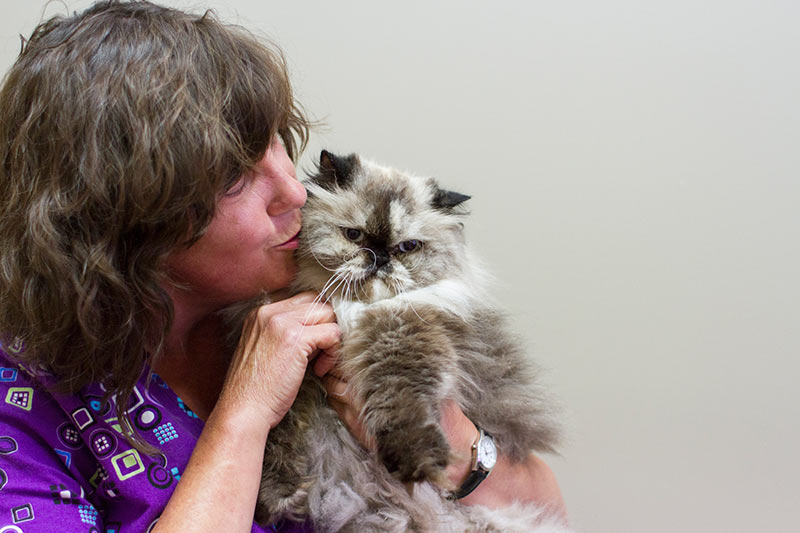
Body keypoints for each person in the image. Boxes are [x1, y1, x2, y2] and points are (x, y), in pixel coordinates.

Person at [0, 1, 567, 531]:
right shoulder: (18, 407)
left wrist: (452, 444)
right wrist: (244, 415)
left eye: (277, 144)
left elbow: (546, 506)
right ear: (124, 215)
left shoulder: (341, 299)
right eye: (236, 178)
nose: (295, 192)